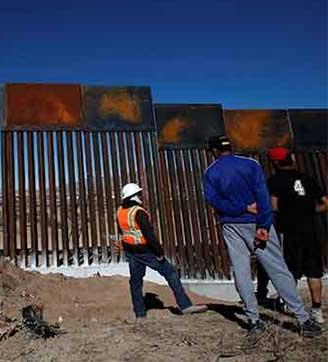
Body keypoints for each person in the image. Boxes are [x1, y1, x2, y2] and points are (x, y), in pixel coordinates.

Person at [203, 135, 321, 337]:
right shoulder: (250, 164)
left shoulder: (210, 172)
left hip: (231, 225)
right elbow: (263, 196)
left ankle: (254, 320)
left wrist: (241, 208)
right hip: (258, 223)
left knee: (241, 272)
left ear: (213, 151)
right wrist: (264, 225)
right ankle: (303, 319)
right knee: (278, 269)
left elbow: (214, 201)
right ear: (230, 147)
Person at [117, 182, 208, 319]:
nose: (141, 196)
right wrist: (159, 253)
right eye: (139, 194)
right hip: (146, 251)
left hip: (131, 251)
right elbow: (149, 235)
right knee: (170, 273)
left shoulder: (120, 211)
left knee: (135, 281)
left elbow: (122, 231)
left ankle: (140, 313)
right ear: (134, 196)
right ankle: (185, 305)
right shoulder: (138, 212)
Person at [264, 146, 327, 324]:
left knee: (289, 269)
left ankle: (289, 304)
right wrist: (310, 210)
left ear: (275, 162)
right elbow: (325, 203)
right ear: (290, 159)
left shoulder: (275, 181)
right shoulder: (308, 179)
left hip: (290, 230)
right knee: (314, 271)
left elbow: (274, 207)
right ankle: (317, 310)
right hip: (312, 230)